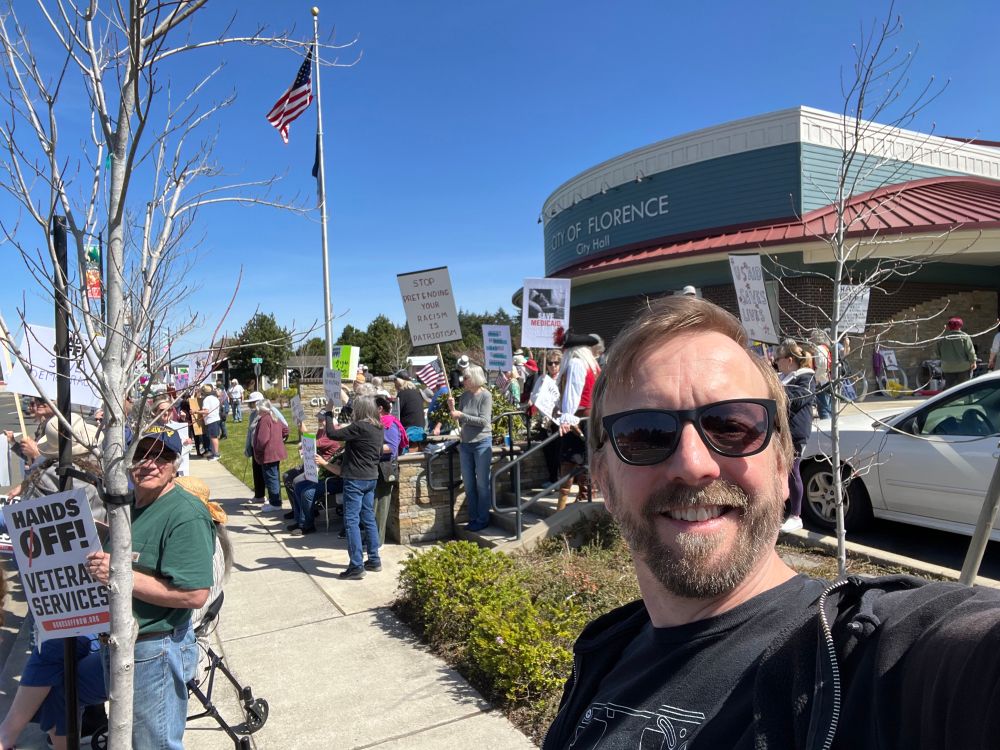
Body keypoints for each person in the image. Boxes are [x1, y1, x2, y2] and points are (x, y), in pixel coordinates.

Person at [543, 295, 1000, 750]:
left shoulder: (865, 654)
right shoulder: (605, 649)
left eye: (732, 426)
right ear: (601, 476)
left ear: (783, 466)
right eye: (644, 434)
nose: (693, 463)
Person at [85, 426, 214, 750]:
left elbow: (194, 595)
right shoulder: (126, 505)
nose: (150, 463)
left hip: (153, 649)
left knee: (153, 745)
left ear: (175, 464)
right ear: (127, 460)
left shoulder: (185, 513)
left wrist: (118, 573)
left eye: (163, 456)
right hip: (117, 643)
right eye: (141, 454)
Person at [323, 395, 384, 579]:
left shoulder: (359, 428)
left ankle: (356, 565)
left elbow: (332, 434)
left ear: (361, 410)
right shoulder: (378, 428)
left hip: (355, 480)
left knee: (351, 522)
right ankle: (374, 559)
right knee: (368, 518)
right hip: (371, 478)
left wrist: (328, 411)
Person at [555, 331, 601, 510]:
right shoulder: (593, 366)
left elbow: (573, 392)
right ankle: (584, 496)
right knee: (584, 459)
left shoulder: (575, 363)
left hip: (579, 419)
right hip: (589, 418)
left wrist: (567, 416)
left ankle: (563, 506)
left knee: (569, 459)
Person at [775, 341, 816, 533]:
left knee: (793, 471)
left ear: (789, 360)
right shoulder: (781, 377)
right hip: (778, 431)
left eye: (778, 359)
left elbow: (801, 397)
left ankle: (796, 516)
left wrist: (776, 393)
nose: (776, 363)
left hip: (795, 433)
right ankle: (776, 510)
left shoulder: (805, 377)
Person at [447, 364, 493, 531]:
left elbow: (484, 421)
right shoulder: (464, 396)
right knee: (469, 484)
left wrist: (462, 415)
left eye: (465, 377)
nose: (463, 380)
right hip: (465, 444)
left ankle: (483, 518)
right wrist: (453, 409)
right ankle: (473, 518)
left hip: (482, 443)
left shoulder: (486, 396)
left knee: (482, 483)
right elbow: (458, 418)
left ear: (474, 378)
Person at [288, 412, 342, 537]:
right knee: (299, 486)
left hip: (335, 479)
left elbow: (341, 472)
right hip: (326, 474)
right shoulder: (329, 435)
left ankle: (307, 525)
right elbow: (310, 439)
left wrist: (324, 463)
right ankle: (300, 521)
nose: (320, 421)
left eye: (322, 419)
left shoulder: (335, 438)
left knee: (307, 492)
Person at [374, 395, 407, 544]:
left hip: (384, 469)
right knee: (372, 506)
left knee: (380, 506)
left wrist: (367, 448)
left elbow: (391, 448)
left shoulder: (390, 424)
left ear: (380, 408)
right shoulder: (378, 423)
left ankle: (377, 541)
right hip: (375, 467)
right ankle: (372, 538)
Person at [251, 398, 289, 513]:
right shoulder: (274, 416)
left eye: (258, 410)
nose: (257, 412)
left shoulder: (264, 420)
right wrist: (278, 439)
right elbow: (286, 430)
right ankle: (276, 500)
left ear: (262, 409)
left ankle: (275, 503)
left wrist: (257, 451)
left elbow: (262, 440)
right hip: (276, 452)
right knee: (274, 477)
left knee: (271, 478)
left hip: (268, 454)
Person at [937, 316, 977, 387]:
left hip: (947, 368)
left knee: (950, 390)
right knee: (964, 389)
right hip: (963, 368)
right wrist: (973, 362)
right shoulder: (965, 337)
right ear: (960, 326)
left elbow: (937, 353)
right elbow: (970, 351)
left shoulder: (942, 338)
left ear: (949, 327)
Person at [197, 383, 221, 460]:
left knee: (213, 437)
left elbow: (206, 411)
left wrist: (196, 412)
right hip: (215, 419)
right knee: (213, 437)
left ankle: (216, 454)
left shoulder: (206, 399)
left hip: (211, 420)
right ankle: (214, 453)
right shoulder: (215, 398)